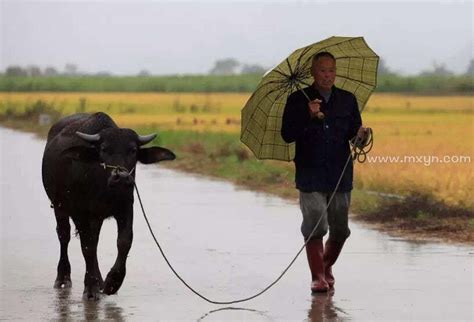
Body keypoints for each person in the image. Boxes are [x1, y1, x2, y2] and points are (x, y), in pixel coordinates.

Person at [281, 52, 368, 293]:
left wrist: (362, 136)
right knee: (316, 224)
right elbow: (287, 135)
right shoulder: (297, 100)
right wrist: (307, 116)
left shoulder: (347, 100)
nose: (327, 75)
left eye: (331, 70)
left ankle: (326, 265)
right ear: (313, 72)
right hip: (310, 171)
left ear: (335, 72)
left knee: (340, 229)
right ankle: (318, 276)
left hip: (340, 172)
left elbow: (354, 137)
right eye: (322, 70)